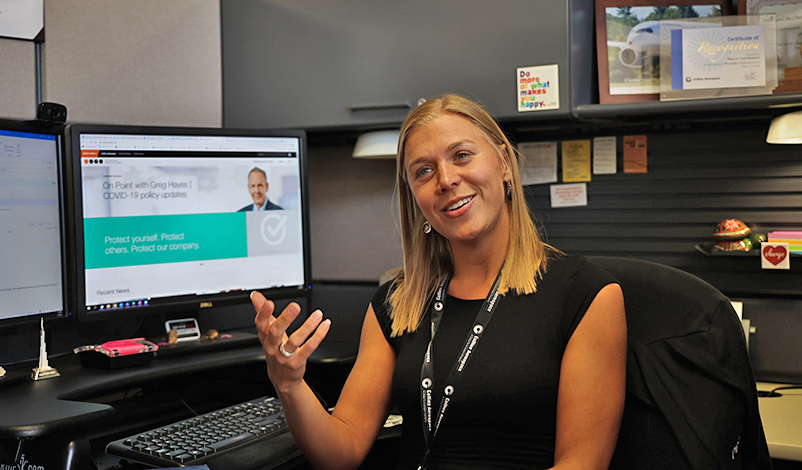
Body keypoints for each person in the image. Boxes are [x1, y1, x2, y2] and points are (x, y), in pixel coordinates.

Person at [252, 94, 626, 470]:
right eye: (424, 171)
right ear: (414, 196)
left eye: (462, 155)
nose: (446, 180)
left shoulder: (585, 294)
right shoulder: (398, 304)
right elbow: (341, 452)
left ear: (504, 163)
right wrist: (289, 385)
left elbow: (581, 463)